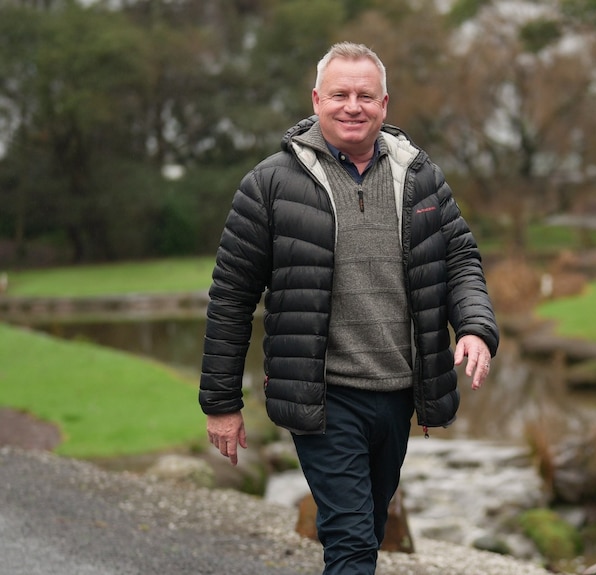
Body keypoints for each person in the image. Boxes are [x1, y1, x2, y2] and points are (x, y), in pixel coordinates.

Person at [198, 41, 499, 574]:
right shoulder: (269, 185)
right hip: (323, 396)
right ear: (317, 100)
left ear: (384, 104)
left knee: (370, 528)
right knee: (353, 540)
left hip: (398, 393)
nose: (353, 107)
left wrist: (474, 327)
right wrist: (221, 402)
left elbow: (459, 260)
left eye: (365, 96)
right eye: (340, 95)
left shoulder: (420, 177)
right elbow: (231, 297)